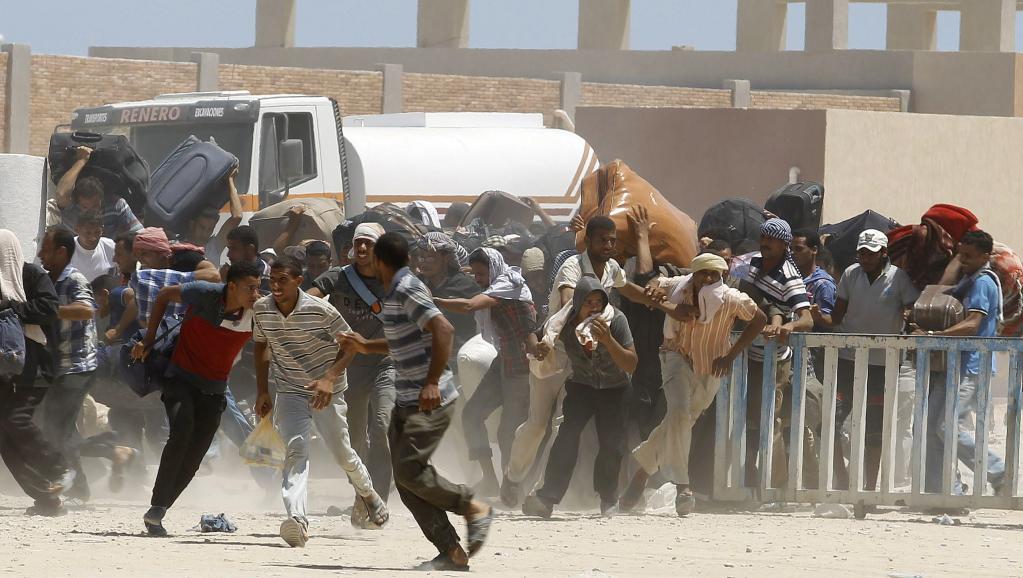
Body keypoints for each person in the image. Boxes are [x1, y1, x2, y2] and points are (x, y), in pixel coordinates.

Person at [338, 233, 492, 572]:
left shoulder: (407, 288)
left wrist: (432, 381)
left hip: (429, 398)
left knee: (410, 473)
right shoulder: (394, 291)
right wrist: (366, 345)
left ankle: (472, 507)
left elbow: (444, 329)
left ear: (379, 261)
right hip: (407, 398)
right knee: (407, 481)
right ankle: (452, 551)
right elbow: (403, 341)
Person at [501, 215, 651, 505]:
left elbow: (629, 289)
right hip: (555, 348)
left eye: (612, 241)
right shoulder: (572, 266)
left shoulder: (611, 268)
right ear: (588, 241)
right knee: (537, 425)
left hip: (580, 361)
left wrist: (663, 302)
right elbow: (570, 302)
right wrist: (559, 334)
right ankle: (513, 476)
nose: (608, 245)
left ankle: (542, 495)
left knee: (564, 429)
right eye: (603, 240)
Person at [252, 258, 388, 547]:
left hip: (328, 392)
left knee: (342, 453)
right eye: (272, 280)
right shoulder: (262, 309)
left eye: (283, 280)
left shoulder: (321, 310)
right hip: (289, 389)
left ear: (299, 281)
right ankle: (297, 520)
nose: (275, 286)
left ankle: (368, 494)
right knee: (295, 449)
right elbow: (261, 345)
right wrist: (262, 391)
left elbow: (350, 345)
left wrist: (328, 378)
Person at [622, 253, 767, 515]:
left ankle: (641, 474)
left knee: (680, 423)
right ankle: (683, 487)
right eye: (703, 273)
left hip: (712, 366)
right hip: (676, 356)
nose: (708, 278)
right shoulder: (680, 286)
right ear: (694, 274)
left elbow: (760, 320)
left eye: (714, 274)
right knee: (678, 412)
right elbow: (656, 283)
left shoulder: (731, 298)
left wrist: (731, 355)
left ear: (722, 275)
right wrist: (654, 288)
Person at [133, 261, 262, 536]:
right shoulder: (205, 293)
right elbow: (164, 295)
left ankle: (160, 508)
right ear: (232, 286)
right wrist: (149, 339)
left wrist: (264, 391)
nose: (256, 294)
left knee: (194, 457)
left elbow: (266, 346)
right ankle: (157, 507)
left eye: (258, 288)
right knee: (181, 433)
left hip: (215, 389)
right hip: (180, 377)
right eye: (250, 288)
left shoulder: (259, 312)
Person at [520, 275, 638, 518]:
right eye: (588, 302)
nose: (594, 308)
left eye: (599, 302)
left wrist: (608, 340)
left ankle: (608, 499)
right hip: (582, 386)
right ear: (577, 304)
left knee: (611, 446)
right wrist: (537, 348)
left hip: (615, 389)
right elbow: (533, 335)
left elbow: (631, 363)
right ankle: (547, 498)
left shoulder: (616, 320)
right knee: (566, 437)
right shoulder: (563, 321)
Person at [812, 229, 920, 493]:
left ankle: (870, 488)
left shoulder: (899, 278)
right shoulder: (851, 274)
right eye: (862, 253)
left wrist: (911, 319)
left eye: (871, 253)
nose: (865, 258)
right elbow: (836, 317)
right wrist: (818, 317)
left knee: (874, 427)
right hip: (848, 360)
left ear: (883, 253)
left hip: (883, 364)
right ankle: (842, 480)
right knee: (830, 423)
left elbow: (912, 309)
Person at [436, 247, 538, 496]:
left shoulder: (508, 286)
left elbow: (470, 306)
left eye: (481, 274)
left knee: (508, 432)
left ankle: (512, 487)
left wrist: (434, 301)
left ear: (493, 269)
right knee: (471, 415)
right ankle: (490, 480)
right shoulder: (496, 285)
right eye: (475, 274)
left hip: (521, 369)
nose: (478, 279)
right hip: (503, 362)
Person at [308, 223, 396, 504]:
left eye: (369, 243)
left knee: (383, 426)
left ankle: (378, 497)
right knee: (352, 439)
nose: (362, 248)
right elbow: (310, 297)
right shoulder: (338, 277)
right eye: (358, 242)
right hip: (349, 367)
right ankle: (363, 490)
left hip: (385, 363)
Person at [917, 229, 1007, 500]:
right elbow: (942, 289)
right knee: (932, 427)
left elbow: (972, 324)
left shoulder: (983, 283)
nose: (963, 260)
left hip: (972, 366)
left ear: (985, 256)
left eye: (969, 256)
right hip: (954, 364)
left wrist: (934, 335)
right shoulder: (968, 279)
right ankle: (944, 491)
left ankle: (998, 472)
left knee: (947, 427)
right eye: (960, 254)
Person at [0, 229, 76, 516]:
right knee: (5, 438)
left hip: (34, 367)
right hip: (5, 369)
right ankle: (46, 497)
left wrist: (13, 308)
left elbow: (49, 307)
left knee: (15, 419)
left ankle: (58, 467)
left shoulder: (30, 275)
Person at [737, 218, 814, 487]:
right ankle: (748, 481)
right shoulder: (753, 263)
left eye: (772, 239)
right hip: (745, 354)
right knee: (746, 419)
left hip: (773, 359)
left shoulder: (790, 277)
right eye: (763, 237)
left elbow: (807, 319)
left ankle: (776, 486)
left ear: (784, 245)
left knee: (770, 421)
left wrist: (786, 326)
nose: (765, 243)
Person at [35, 225, 102, 502]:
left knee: (57, 425)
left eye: (46, 250)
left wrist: (49, 310)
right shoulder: (45, 280)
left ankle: (75, 486)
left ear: (61, 253)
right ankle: (78, 485)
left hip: (78, 365)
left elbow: (86, 310)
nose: (40, 255)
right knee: (61, 425)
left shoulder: (73, 279)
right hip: (58, 366)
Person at [51, 146, 143, 238]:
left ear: (102, 200)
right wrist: (82, 160)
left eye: (95, 206)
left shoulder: (116, 205)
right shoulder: (71, 208)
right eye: (85, 207)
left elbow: (139, 235)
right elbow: (61, 194)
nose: (91, 212)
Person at [182, 167, 242, 266]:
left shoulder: (214, 246)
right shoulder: (179, 246)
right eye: (202, 227)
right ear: (192, 224)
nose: (204, 234)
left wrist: (230, 181)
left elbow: (237, 217)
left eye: (209, 229)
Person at [70, 210, 116, 283]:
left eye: (97, 232)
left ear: (102, 229)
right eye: (88, 233)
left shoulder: (110, 246)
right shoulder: (67, 248)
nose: (93, 238)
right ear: (77, 230)